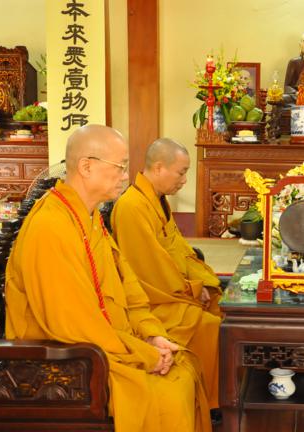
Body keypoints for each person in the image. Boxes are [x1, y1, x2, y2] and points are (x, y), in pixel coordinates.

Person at [5, 125, 211, 432]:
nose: (126, 176)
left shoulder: (90, 218)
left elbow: (128, 290)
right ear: (86, 166)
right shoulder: (51, 226)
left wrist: (151, 334)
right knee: (168, 392)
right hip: (68, 360)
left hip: (103, 344)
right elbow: (73, 324)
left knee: (183, 365)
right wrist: (144, 355)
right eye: (120, 167)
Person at [110, 138, 222, 414]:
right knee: (212, 326)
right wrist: (191, 288)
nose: (184, 180)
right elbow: (149, 268)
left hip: (171, 289)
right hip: (154, 300)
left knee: (221, 304)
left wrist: (201, 281)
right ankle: (214, 403)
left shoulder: (156, 201)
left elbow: (178, 248)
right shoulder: (131, 207)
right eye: (181, 172)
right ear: (159, 167)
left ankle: (220, 391)